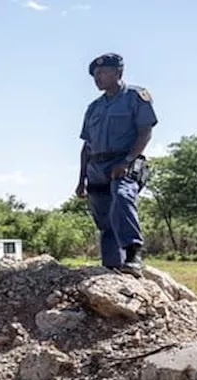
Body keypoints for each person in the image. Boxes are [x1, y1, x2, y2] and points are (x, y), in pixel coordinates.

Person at [75, 53, 156, 277]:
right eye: (95, 74)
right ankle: (111, 267)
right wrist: (81, 179)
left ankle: (133, 254)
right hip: (96, 167)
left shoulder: (135, 97)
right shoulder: (93, 108)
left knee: (122, 196)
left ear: (118, 72)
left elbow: (145, 132)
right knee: (104, 219)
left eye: (102, 72)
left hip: (125, 161)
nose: (97, 78)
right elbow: (86, 146)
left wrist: (127, 161)